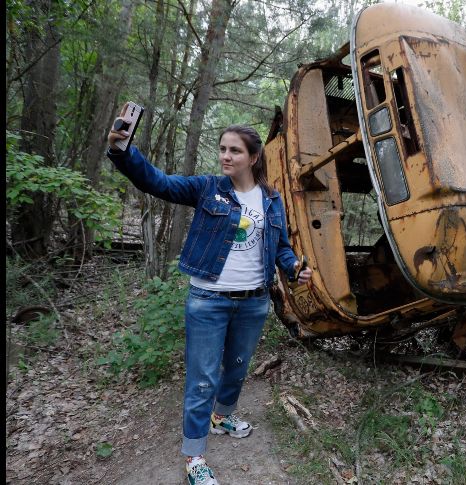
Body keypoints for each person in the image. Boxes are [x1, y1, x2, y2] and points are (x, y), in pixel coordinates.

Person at [106, 103, 312, 485]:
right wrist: (122, 150)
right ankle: (194, 456)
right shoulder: (206, 189)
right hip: (208, 300)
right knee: (202, 378)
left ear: (253, 157)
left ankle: (224, 416)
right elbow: (158, 182)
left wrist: (294, 268)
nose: (225, 156)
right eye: (222, 149)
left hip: (253, 301)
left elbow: (281, 246)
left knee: (236, 367)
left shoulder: (270, 198)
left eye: (234, 150)